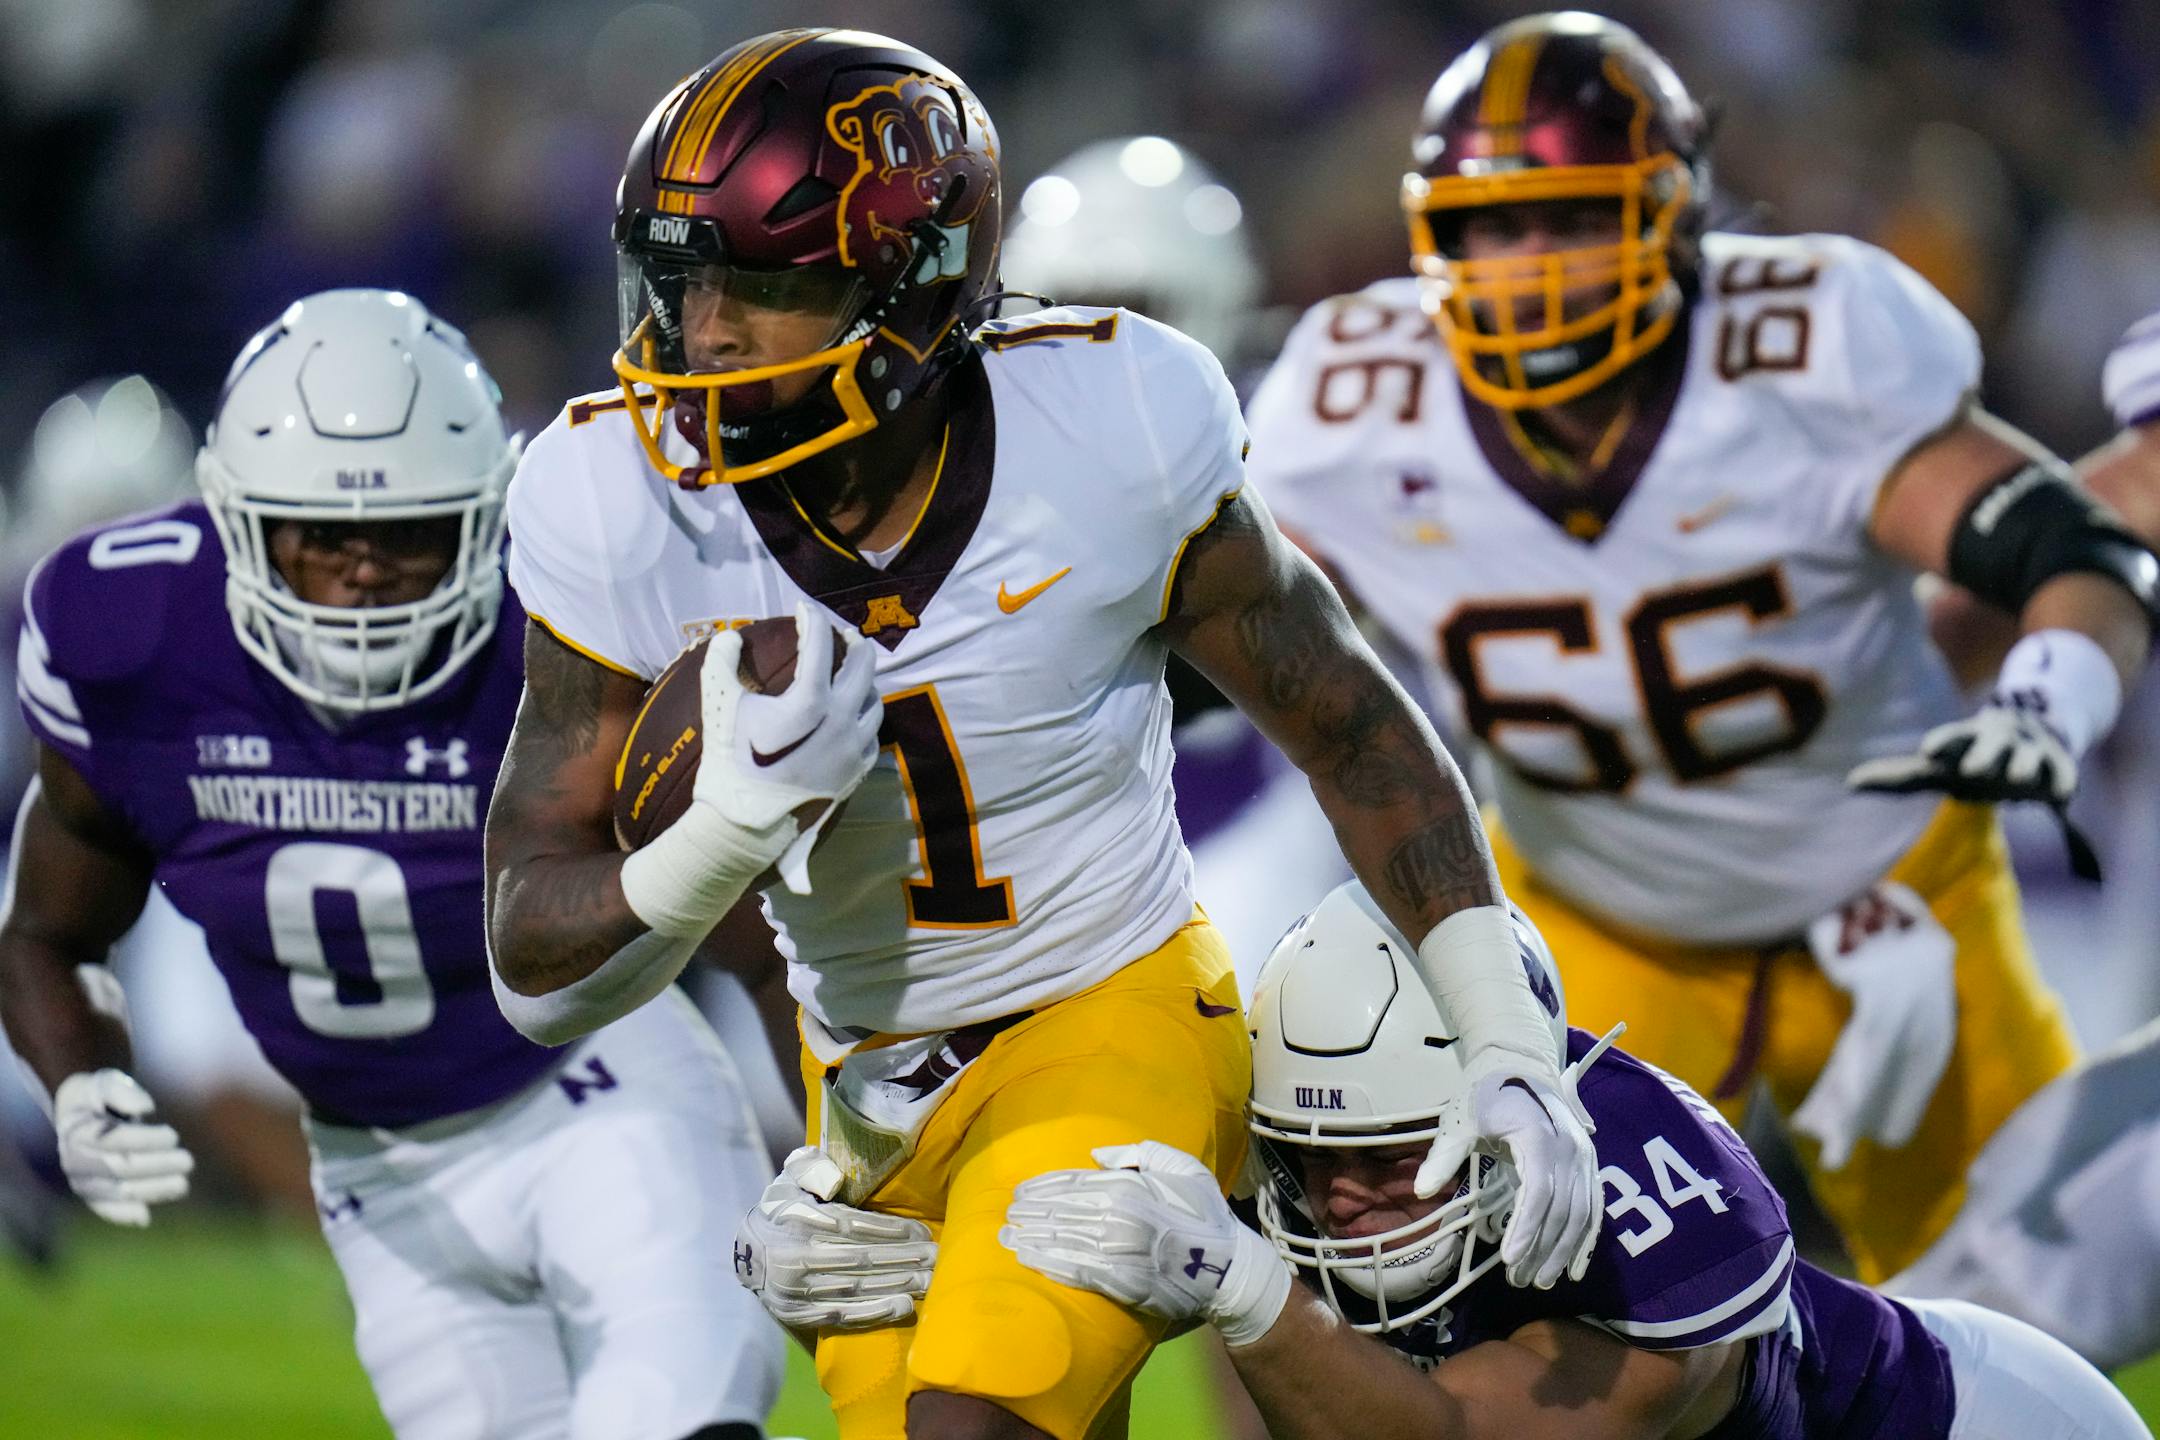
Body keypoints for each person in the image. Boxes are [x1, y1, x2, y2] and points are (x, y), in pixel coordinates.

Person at [483, 28, 1596, 1440]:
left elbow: (1355, 732)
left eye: (766, 287)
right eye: (687, 279)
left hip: (1110, 1012)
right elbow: (533, 962)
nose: (705, 333)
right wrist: (722, 842)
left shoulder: (1110, 422)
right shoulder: (607, 493)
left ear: (917, 278)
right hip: (873, 1079)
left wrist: (1504, 1039)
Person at [1240, 10, 2160, 1286]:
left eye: (1571, 218)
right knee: (1518, 1302)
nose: (1531, 267)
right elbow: (1221, 623)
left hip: (1890, 887)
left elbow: (2065, 547)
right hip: (1592, 916)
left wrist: (2058, 690)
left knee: (2028, 1297)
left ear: (1672, 213)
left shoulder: (1804, 345)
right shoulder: (1349, 404)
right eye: (1494, 227)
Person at [0, 289, 782, 1440]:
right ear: (233, 520)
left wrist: (848, 1152)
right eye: (321, 540)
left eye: (409, 536)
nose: (364, 576)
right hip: (376, 1171)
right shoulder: (130, 631)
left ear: (485, 517)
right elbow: (46, 930)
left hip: (598, 1091)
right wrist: (76, 1080)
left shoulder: (563, 612)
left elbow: (758, 942)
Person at [1001, 881, 2151, 1440]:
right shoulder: (1303, 1176)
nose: (1346, 1200)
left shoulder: (1656, 1207)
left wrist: (1246, 1293)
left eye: (1397, 1155)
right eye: (1314, 1158)